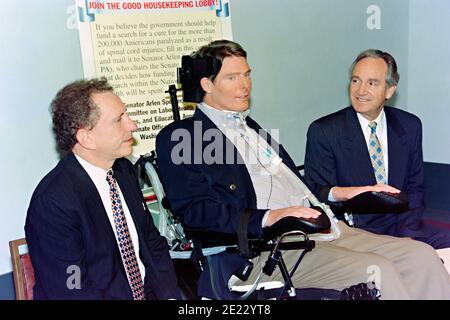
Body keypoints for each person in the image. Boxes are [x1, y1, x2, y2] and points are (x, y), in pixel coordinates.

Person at [156, 40, 450, 300]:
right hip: (270, 248)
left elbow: (301, 186)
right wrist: (271, 217)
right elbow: (197, 212)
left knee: (420, 256)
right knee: (378, 271)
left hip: (325, 229)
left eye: (247, 75)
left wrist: (350, 193)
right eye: (232, 77)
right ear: (207, 84)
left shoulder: (251, 129)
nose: (244, 85)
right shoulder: (187, 136)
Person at [25, 78, 181, 299]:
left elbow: (153, 245)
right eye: (119, 120)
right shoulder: (53, 202)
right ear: (86, 137)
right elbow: (72, 286)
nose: (133, 125)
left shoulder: (124, 171)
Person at [304, 49, 450, 249]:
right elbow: (317, 192)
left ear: (389, 91)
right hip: (354, 232)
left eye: (372, 83)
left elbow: (414, 189)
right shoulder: (325, 131)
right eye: (356, 81)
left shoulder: (409, 126)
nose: (360, 90)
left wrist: (408, 236)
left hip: (401, 226)